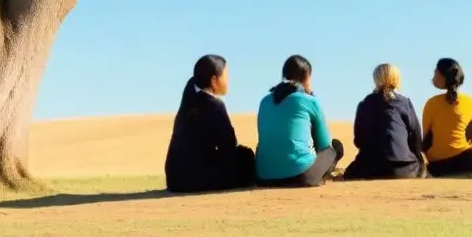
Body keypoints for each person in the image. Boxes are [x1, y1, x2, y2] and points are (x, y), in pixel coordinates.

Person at [164, 54, 256, 193]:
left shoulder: (190, 92)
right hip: (195, 179)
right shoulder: (215, 106)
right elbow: (229, 145)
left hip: (174, 178)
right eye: (225, 76)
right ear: (214, 80)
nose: (228, 81)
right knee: (245, 155)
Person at [255, 55, 344, 188]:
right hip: (301, 176)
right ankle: (325, 173)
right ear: (306, 77)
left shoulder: (265, 101)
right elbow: (324, 145)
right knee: (335, 149)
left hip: (264, 177)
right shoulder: (309, 101)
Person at [343, 64, 426, 180]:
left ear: (376, 79)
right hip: (403, 168)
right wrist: (418, 159)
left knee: (350, 171)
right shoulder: (404, 102)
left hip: (369, 169)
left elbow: (359, 141)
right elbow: (416, 136)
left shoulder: (364, 104)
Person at [422, 58, 472, 177]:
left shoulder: (431, 103)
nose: (433, 76)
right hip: (465, 160)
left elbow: (426, 137)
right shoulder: (469, 101)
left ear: (442, 77)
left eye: (435, 72)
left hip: (438, 164)